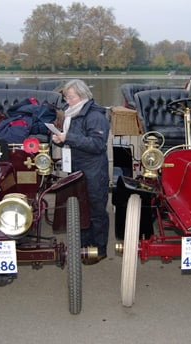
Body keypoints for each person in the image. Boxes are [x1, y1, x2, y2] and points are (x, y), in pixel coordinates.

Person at [51, 79, 110, 265]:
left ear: (83, 96)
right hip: (76, 168)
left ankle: (99, 250)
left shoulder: (96, 116)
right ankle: (84, 247)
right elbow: (73, 139)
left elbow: (98, 144)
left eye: (71, 97)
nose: (67, 101)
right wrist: (58, 139)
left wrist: (68, 137)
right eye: (66, 97)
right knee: (80, 209)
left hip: (93, 170)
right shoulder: (72, 114)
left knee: (96, 210)